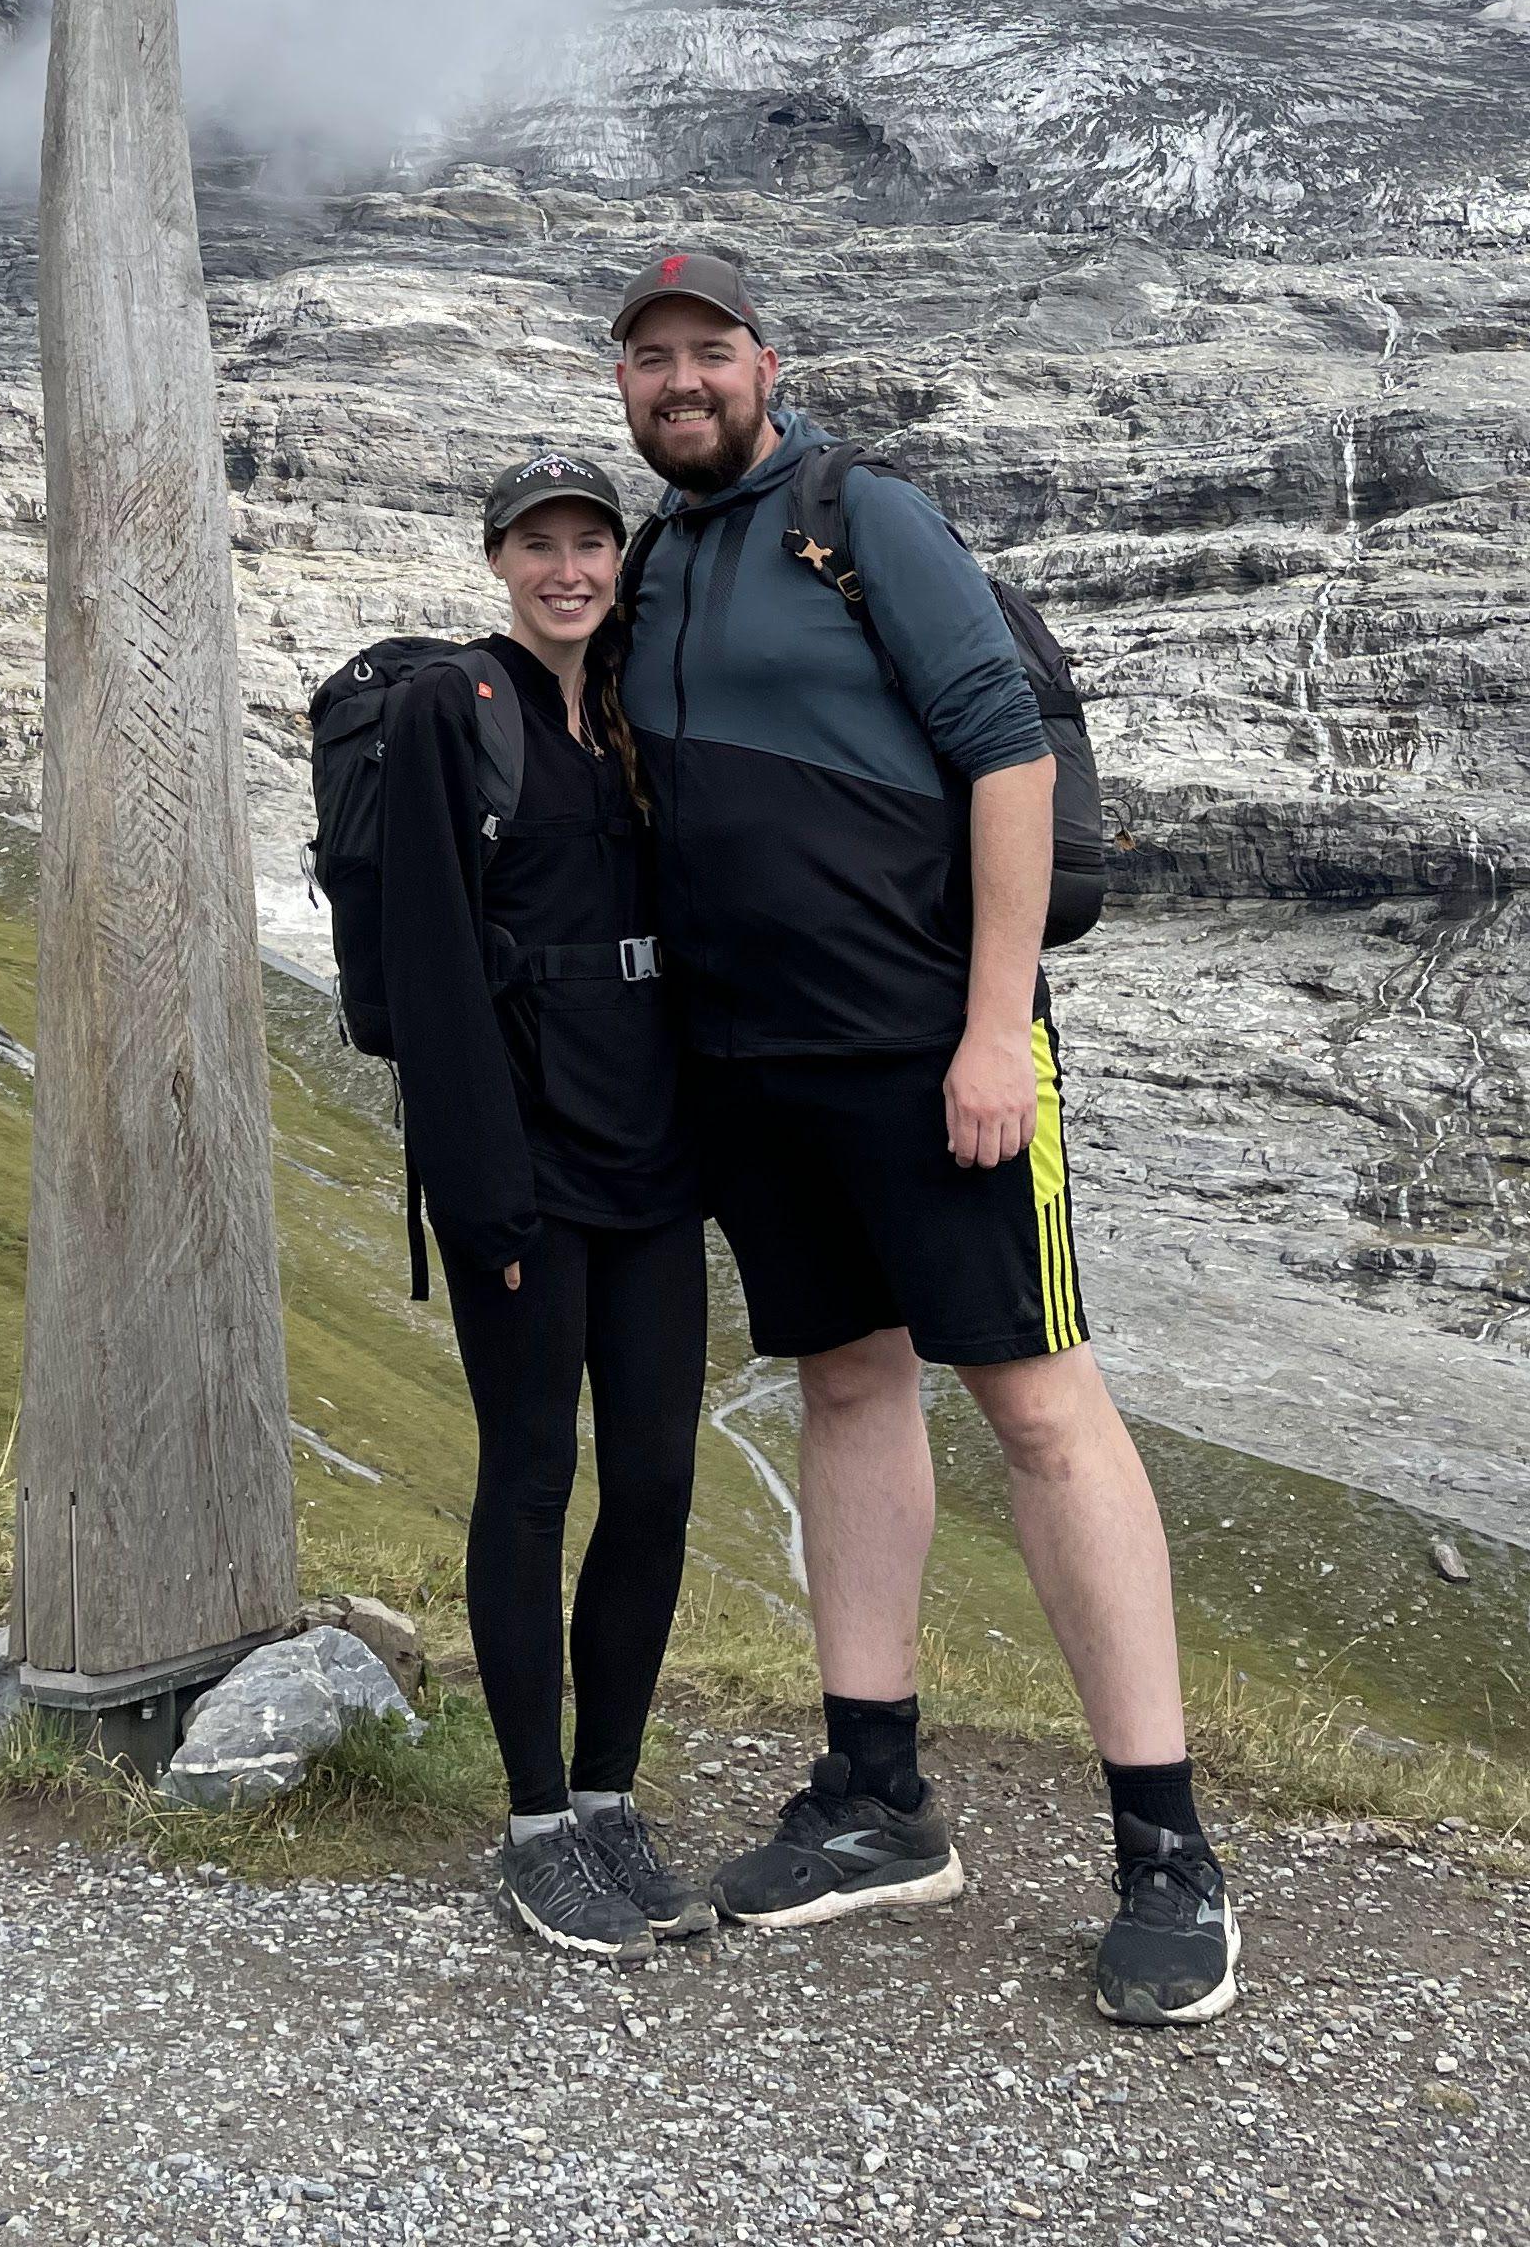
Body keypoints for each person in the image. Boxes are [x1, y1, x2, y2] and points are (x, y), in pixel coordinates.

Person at [605, 249, 1240, 2029]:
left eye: (706, 351)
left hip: (928, 1055)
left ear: (764, 362)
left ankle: (1167, 1851)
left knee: (1039, 1402)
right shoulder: (657, 560)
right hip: (755, 1069)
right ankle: (878, 1802)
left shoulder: (859, 515)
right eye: (649, 361)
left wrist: (991, 1031)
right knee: (849, 1387)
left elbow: (1002, 758)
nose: (680, 383)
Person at [378, 447, 713, 1959]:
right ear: (497, 559)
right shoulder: (459, 707)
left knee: (651, 1483)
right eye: (540, 545)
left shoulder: (636, 716)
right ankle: (530, 1827)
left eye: (592, 542)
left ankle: (607, 1798)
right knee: (530, 1473)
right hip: (526, 1172)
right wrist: (486, 1202)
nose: (568, 568)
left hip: (650, 1164)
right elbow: (439, 967)